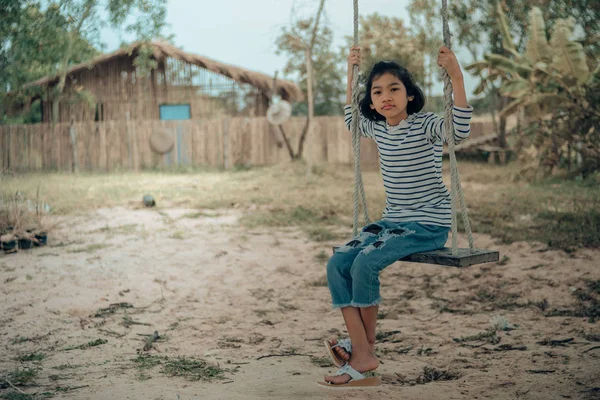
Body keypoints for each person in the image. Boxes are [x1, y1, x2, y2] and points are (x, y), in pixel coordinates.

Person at [319, 46, 473, 388]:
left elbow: (458, 130)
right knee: (338, 263)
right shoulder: (378, 129)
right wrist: (351, 73)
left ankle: (361, 353)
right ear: (371, 102)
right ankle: (360, 349)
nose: (386, 97)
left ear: (409, 95)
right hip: (392, 223)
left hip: (428, 224)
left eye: (394, 89)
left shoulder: (426, 125)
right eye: (377, 92)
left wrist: (456, 76)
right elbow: (350, 119)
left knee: (364, 264)